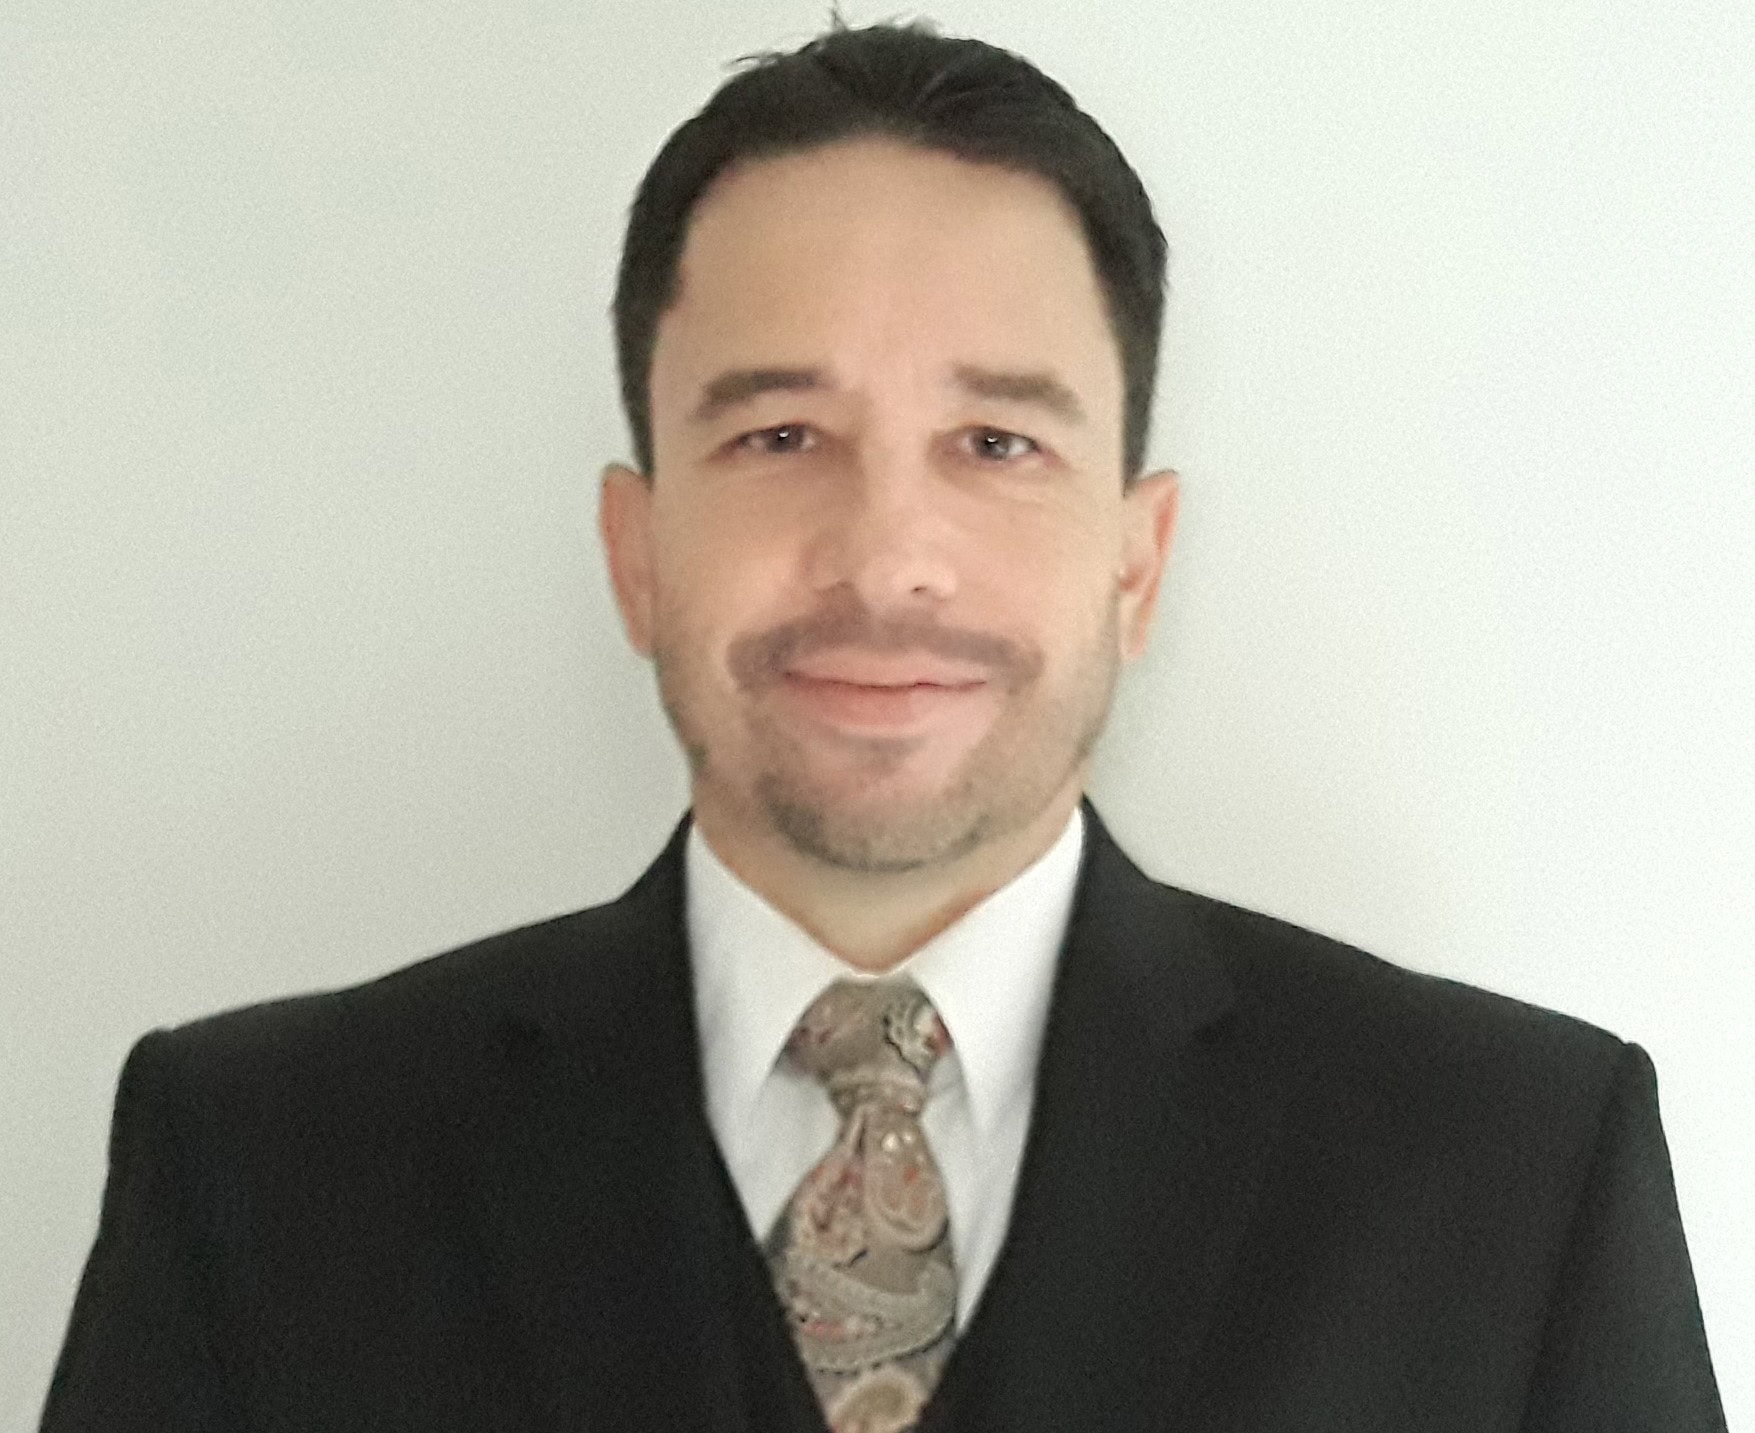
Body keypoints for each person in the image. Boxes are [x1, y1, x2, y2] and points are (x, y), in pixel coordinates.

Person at [41, 15, 1724, 1433]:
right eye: (779, 436)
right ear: (635, 552)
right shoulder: (259, 1172)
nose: (885, 559)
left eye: (997, 443)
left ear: (1138, 565)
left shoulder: (1510, 1175)